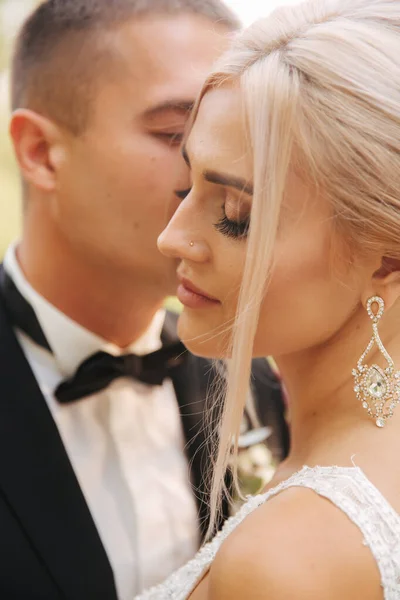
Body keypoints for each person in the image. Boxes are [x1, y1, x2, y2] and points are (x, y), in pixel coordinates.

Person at [2, 1, 288, 599]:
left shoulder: (256, 383)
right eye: (178, 135)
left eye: (244, 137)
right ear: (40, 152)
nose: (229, 172)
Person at [136, 0, 400, 598]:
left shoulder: (290, 558)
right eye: (188, 185)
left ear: (387, 257)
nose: (172, 236)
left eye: (236, 214)